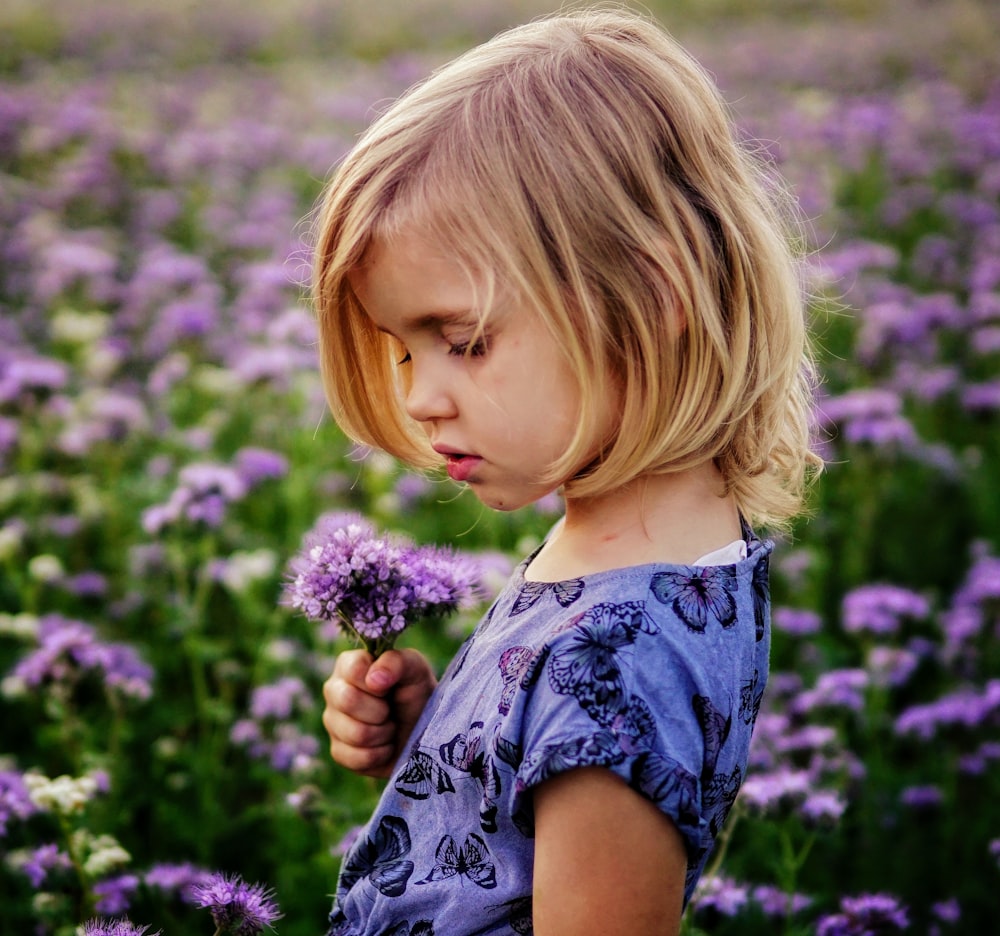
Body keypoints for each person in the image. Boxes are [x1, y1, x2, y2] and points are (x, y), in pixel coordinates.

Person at [313, 7, 819, 935]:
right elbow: (522, 836)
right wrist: (443, 746)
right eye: (403, 351)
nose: (422, 398)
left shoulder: (618, 658)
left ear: (650, 295)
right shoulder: (636, 547)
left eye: (463, 340)